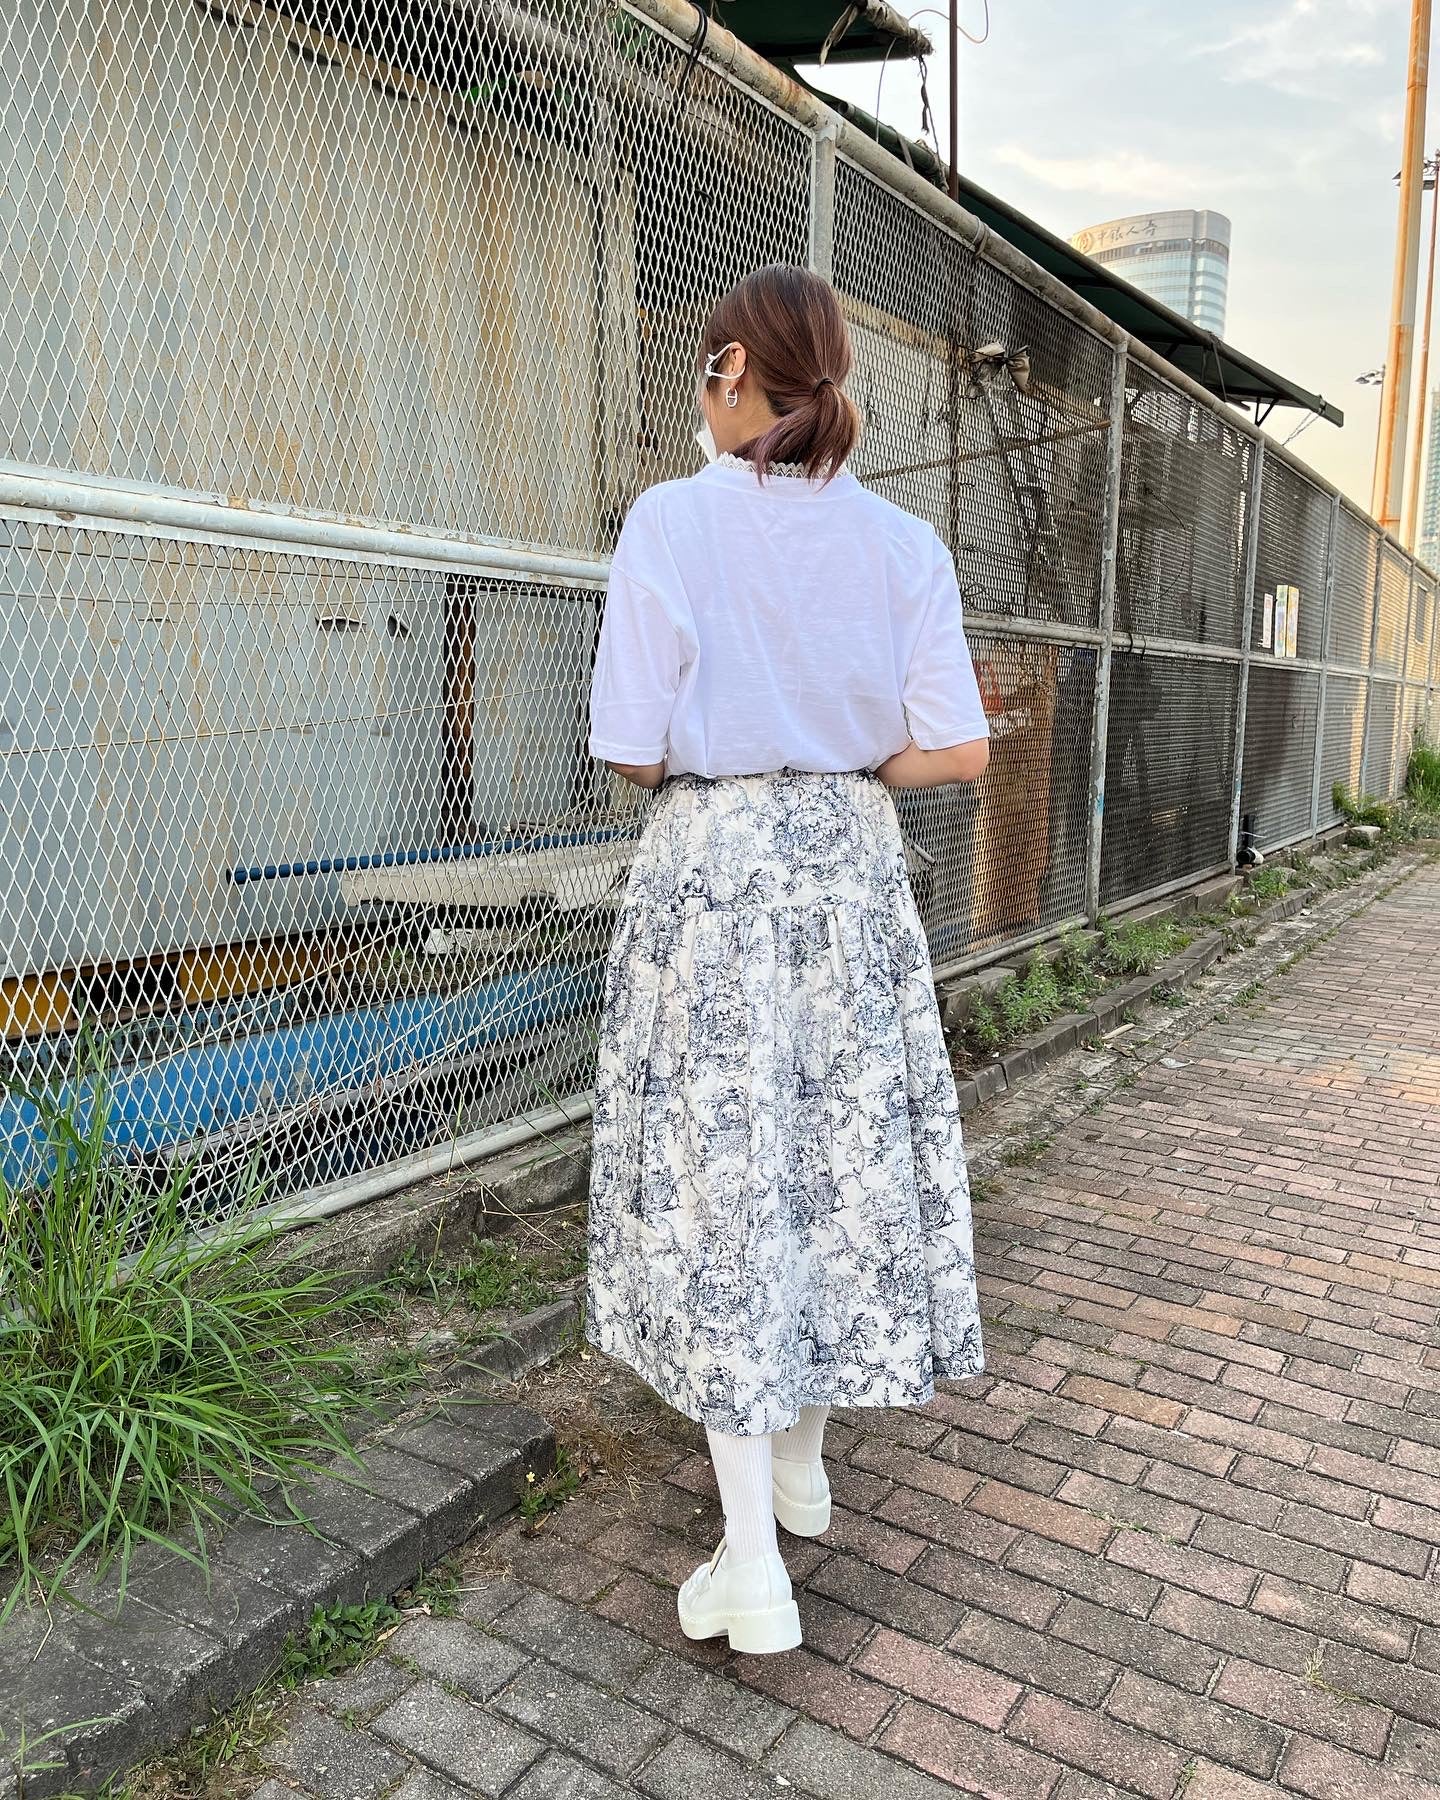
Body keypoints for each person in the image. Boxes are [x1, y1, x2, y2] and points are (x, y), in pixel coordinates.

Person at [585, 265, 991, 1656]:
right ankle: (803, 1465)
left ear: (732, 374)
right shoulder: (903, 545)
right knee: (829, 1156)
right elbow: (960, 747)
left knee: (725, 1189)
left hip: (715, 871)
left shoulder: (671, 524)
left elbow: (633, 745)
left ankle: (752, 1557)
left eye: (706, 374)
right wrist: (854, 754)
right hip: (851, 873)